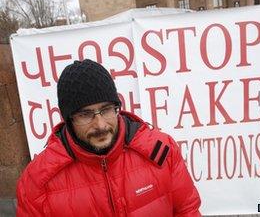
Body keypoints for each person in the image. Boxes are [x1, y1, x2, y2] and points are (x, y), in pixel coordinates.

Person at [16, 59, 201, 216]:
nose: (100, 125)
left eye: (106, 110)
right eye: (85, 114)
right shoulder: (37, 180)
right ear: (68, 119)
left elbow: (188, 209)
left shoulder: (161, 150)